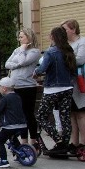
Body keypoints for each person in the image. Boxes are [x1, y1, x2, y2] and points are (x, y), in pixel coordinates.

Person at [34, 26, 77, 155]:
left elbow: (42, 68)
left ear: (53, 37)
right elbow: (74, 70)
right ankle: (64, 143)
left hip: (52, 88)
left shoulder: (50, 52)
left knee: (41, 116)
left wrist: (35, 72)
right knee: (65, 117)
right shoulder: (69, 50)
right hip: (67, 87)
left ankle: (57, 139)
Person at [63, 19, 85, 156]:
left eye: (65, 29)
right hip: (69, 83)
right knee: (72, 114)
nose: (63, 32)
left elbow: (80, 59)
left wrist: (64, 60)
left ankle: (83, 142)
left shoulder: (83, 42)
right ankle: (74, 142)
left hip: (81, 82)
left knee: (81, 113)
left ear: (73, 29)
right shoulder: (66, 44)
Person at [5, 28, 41, 150]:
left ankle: (34, 141)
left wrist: (22, 51)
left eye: (21, 37)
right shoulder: (17, 50)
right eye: (19, 37)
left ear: (29, 37)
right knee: (20, 115)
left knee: (28, 114)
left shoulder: (34, 51)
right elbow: (7, 63)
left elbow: (23, 62)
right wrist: (17, 64)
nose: (19, 39)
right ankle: (23, 141)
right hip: (16, 85)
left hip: (27, 86)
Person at [0, 77, 29, 169]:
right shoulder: (18, 97)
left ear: (4, 88)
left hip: (10, 125)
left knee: (0, 141)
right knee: (13, 138)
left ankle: (4, 161)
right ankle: (20, 155)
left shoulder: (5, 99)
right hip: (22, 125)